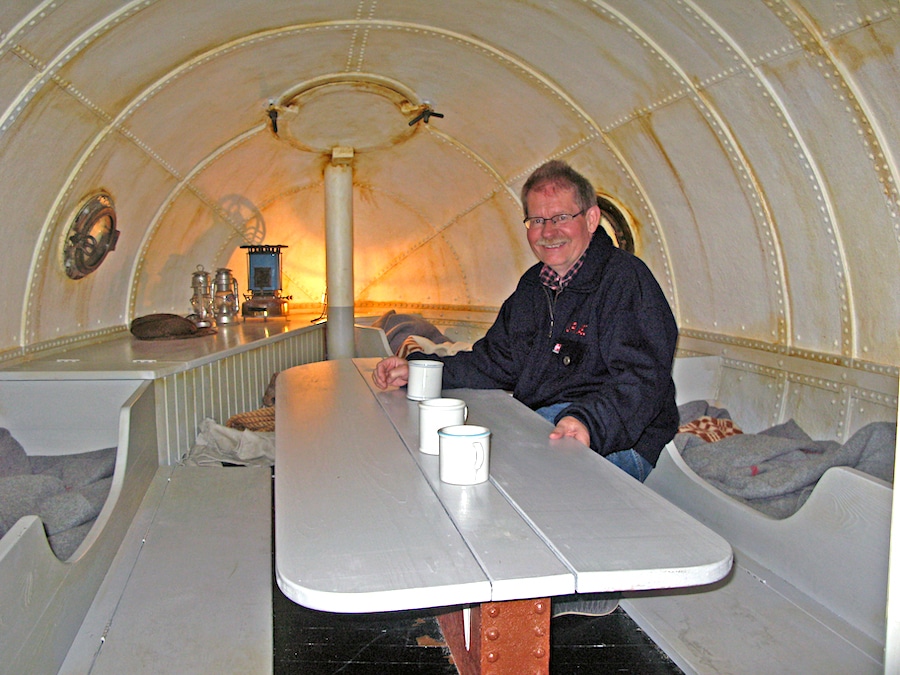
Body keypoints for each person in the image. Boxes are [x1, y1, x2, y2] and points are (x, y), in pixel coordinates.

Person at [373, 160, 678, 482]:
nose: (548, 232)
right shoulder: (533, 286)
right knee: (446, 454)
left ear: (591, 219)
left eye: (561, 217)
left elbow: (642, 378)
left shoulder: (626, 280)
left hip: (615, 436)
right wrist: (421, 368)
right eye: (537, 220)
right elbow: (494, 361)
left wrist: (588, 422)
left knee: (506, 478)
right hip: (544, 419)